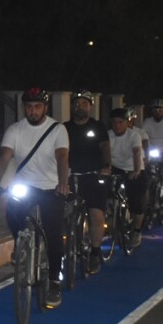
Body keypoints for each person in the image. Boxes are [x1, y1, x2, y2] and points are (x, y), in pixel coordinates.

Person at [0, 88, 70, 308]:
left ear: (45, 108)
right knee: (12, 211)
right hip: (25, 186)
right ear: (24, 108)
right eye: (29, 106)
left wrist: (63, 182)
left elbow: (62, 158)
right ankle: (20, 243)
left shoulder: (57, 129)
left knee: (53, 233)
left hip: (51, 187)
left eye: (37, 106)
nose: (33, 111)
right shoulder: (15, 130)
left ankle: (54, 283)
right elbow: (4, 158)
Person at [63, 91, 111, 274]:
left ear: (90, 107)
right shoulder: (64, 128)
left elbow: (105, 147)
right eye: (76, 103)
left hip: (93, 175)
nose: (79, 106)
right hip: (70, 175)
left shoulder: (97, 127)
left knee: (96, 215)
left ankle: (95, 252)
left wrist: (106, 165)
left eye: (84, 103)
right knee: (60, 212)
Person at [107, 107, 146, 249]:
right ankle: (112, 219)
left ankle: (136, 231)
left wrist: (136, 170)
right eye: (114, 122)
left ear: (126, 123)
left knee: (136, 201)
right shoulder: (108, 135)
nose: (117, 125)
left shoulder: (134, 136)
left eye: (120, 122)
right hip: (116, 168)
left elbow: (136, 152)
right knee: (106, 192)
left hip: (133, 168)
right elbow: (104, 153)